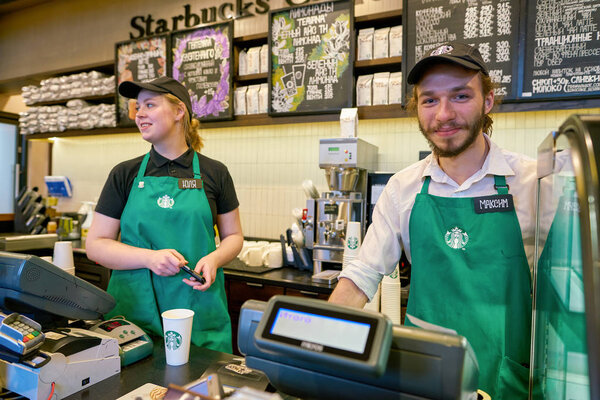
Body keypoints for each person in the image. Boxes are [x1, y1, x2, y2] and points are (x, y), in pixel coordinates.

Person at [329, 42, 536, 399]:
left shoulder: (533, 183)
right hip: (423, 376)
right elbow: (362, 275)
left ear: (487, 101)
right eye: (429, 100)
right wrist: (317, 342)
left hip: (505, 375)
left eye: (459, 96)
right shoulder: (403, 188)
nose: (443, 114)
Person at [86, 76, 243, 353]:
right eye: (137, 107)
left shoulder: (215, 172)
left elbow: (234, 236)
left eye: (150, 105)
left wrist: (215, 258)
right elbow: (96, 245)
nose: (139, 114)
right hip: (133, 318)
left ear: (179, 111)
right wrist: (149, 258)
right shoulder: (124, 174)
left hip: (199, 309)